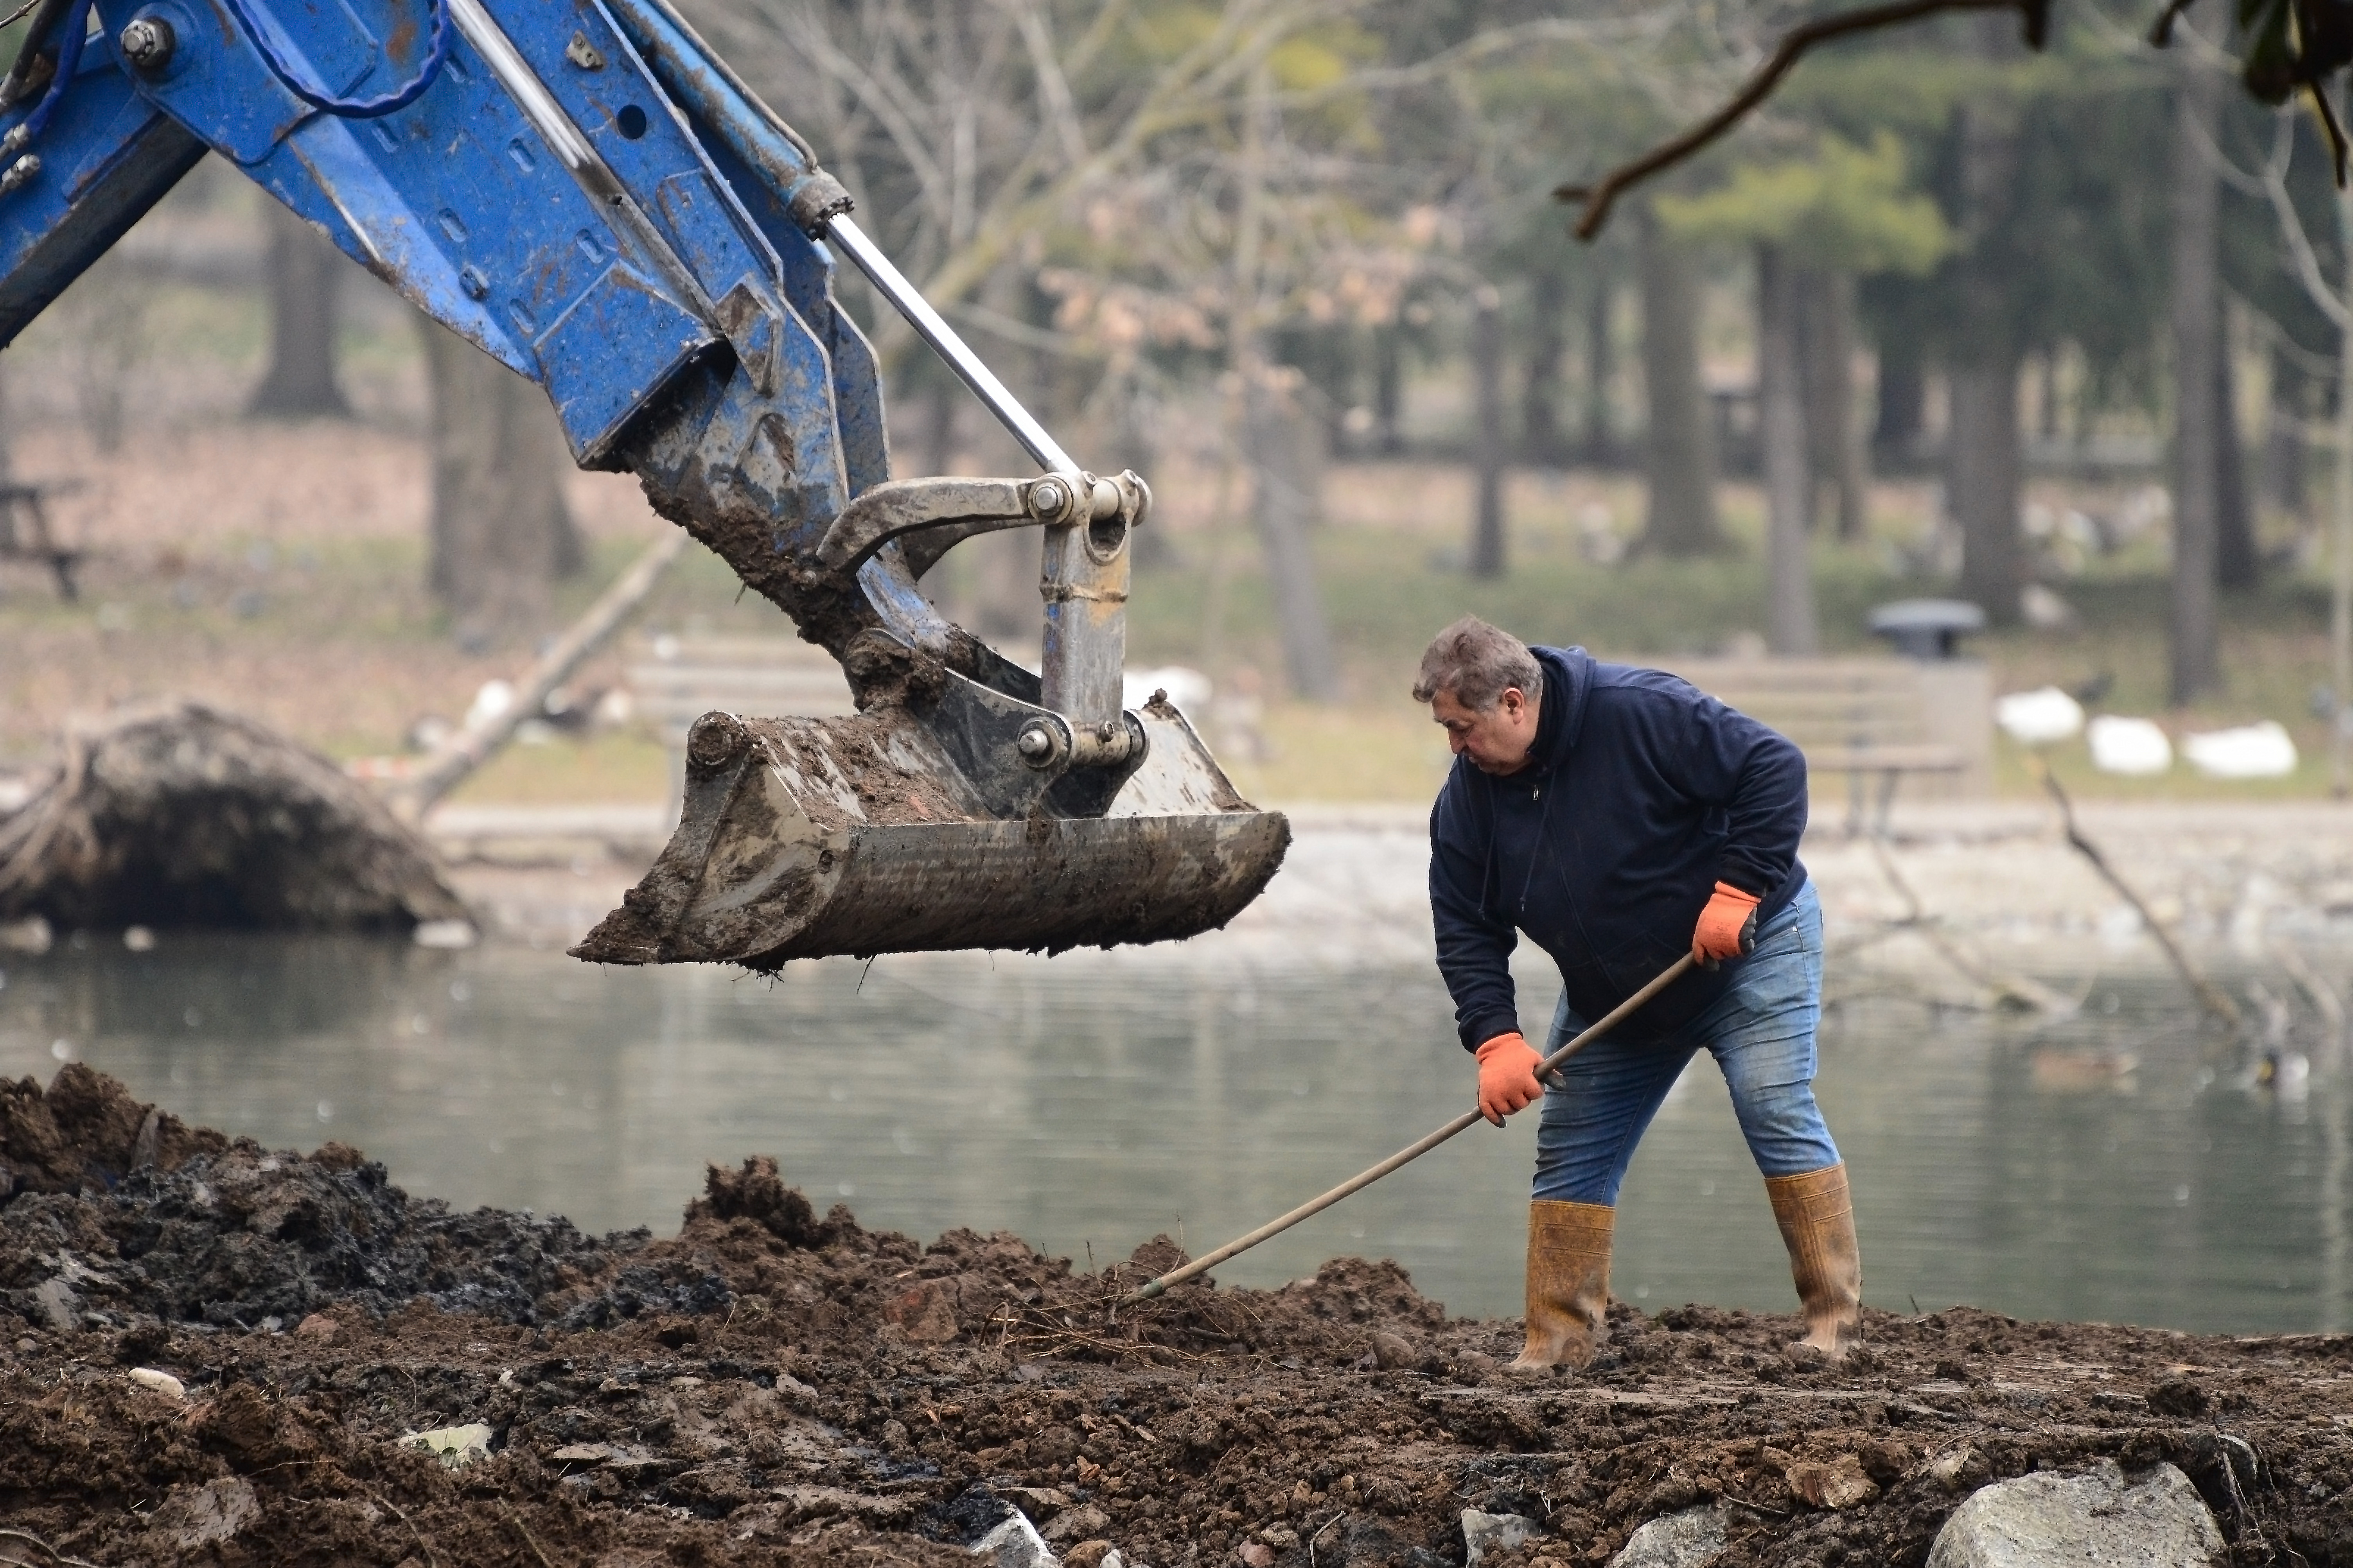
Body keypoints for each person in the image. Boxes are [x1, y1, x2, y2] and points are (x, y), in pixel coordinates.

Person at [1416, 615, 1859, 1370]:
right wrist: (1494, 1036)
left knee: (1772, 1103)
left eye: (1462, 728)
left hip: (1753, 947)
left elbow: (1775, 768)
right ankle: (1556, 1345)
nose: (1455, 747)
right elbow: (1465, 924)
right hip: (1616, 990)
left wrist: (1737, 889)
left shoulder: (1641, 711)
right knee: (1570, 1148)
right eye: (1447, 730)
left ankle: (1832, 1329)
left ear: (1515, 704)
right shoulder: (1469, 803)